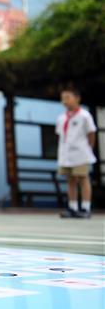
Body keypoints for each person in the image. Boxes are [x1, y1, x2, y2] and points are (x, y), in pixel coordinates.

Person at [56, 87, 97, 219]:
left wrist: (89, 148)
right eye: (63, 98)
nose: (64, 101)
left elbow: (91, 133)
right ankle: (72, 207)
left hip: (81, 153)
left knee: (83, 178)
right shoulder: (61, 118)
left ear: (77, 98)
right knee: (70, 180)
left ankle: (85, 207)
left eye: (68, 97)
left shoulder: (85, 115)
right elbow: (60, 136)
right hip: (66, 154)